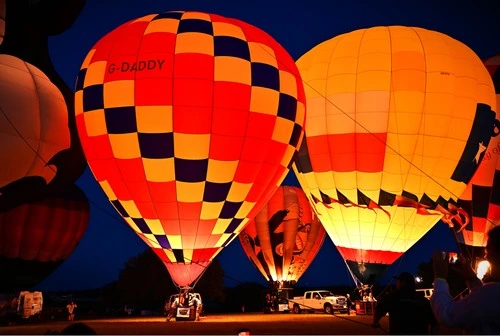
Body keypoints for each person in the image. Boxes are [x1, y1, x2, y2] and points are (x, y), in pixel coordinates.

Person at [430, 226, 500, 334]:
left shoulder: (493, 293)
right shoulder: (492, 295)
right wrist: (471, 278)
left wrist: (440, 277)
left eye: (488, 251)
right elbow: (484, 304)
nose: (486, 257)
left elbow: (447, 315)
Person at [372, 272, 438, 334]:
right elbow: (435, 324)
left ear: (402, 283)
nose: (397, 283)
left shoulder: (392, 297)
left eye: (398, 281)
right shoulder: (423, 300)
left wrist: (375, 322)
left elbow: (378, 311)